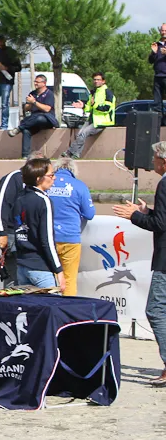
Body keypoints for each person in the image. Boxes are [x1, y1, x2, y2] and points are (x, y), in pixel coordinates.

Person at [113, 141, 166, 386]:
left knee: (156, 310)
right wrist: (148, 212)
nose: (152, 162)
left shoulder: (164, 184)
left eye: (155, 158)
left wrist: (134, 216)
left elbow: (160, 225)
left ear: (163, 161)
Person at [0, 151, 47, 287]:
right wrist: (2, 233)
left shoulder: (40, 184)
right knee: (13, 278)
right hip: (12, 234)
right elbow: (1, 206)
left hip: (31, 237)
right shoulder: (13, 178)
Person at [13, 157, 66, 291]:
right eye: (51, 175)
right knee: (54, 302)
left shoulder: (20, 198)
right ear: (38, 179)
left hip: (22, 265)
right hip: (40, 267)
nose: (54, 178)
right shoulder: (43, 200)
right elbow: (47, 239)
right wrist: (58, 270)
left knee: (27, 304)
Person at [47, 157, 95, 297]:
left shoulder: (47, 184)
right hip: (70, 238)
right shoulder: (79, 186)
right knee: (69, 279)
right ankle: (67, 308)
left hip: (48, 238)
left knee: (49, 279)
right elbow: (89, 214)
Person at [64, 72, 116, 159]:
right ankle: (76, 154)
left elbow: (107, 108)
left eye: (98, 80)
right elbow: (89, 108)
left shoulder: (108, 93)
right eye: (94, 79)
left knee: (83, 134)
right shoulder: (93, 93)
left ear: (103, 81)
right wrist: (83, 106)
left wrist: (94, 104)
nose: (96, 81)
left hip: (102, 121)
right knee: (80, 134)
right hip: (92, 119)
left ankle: (69, 152)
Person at [8, 74, 59, 158]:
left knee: (39, 118)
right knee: (26, 131)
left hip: (46, 119)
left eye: (37, 82)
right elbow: (26, 109)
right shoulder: (32, 93)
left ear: (44, 83)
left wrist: (34, 102)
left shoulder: (49, 94)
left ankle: (19, 128)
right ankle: (25, 155)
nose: (35, 83)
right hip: (33, 120)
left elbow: (47, 109)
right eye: (35, 81)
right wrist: (30, 103)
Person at [0, 35, 22, 130]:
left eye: (0, 41)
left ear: (4, 41)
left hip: (7, 82)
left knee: (5, 104)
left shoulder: (12, 52)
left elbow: (18, 67)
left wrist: (7, 68)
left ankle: (4, 126)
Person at [149, 23, 166, 125]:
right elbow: (150, 61)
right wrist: (154, 52)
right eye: (162, 30)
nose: (164, 32)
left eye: (165, 30)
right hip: (158, 77)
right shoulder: (156, 45)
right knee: (157, 103)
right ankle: (159, 123)